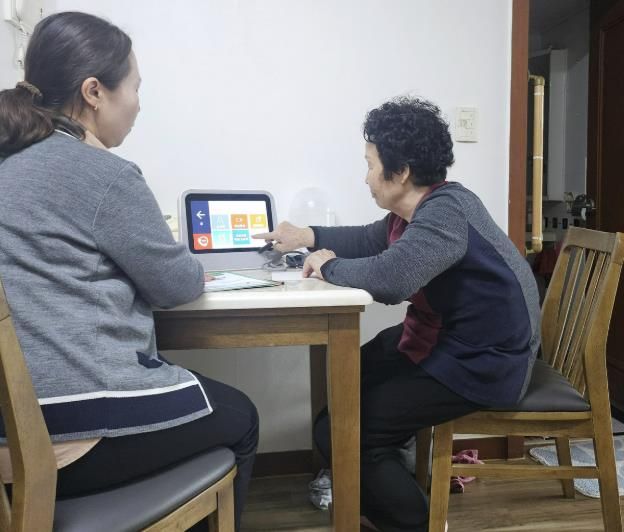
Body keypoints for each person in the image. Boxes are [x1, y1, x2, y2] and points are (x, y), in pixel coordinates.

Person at [0, 12, 257, 531]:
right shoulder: (103, 173)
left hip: (11, 433)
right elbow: (178, 284)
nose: (138, 103)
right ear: (94, 91)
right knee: (242, 417)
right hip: (72, 434)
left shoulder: (10, 160)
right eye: (135, 87)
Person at [254, 96, 540, 532]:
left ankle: (417, 522)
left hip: (484, 361)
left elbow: (392, 279)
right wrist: (305, 235)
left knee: (350, 430)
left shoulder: (446, 213)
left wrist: (329, 266)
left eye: (370, 165)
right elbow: (369, 240)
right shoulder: (415, 212)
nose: (366, 177)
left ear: (401, 171)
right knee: (346, 384)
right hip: (444, 339)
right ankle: (379, 490)